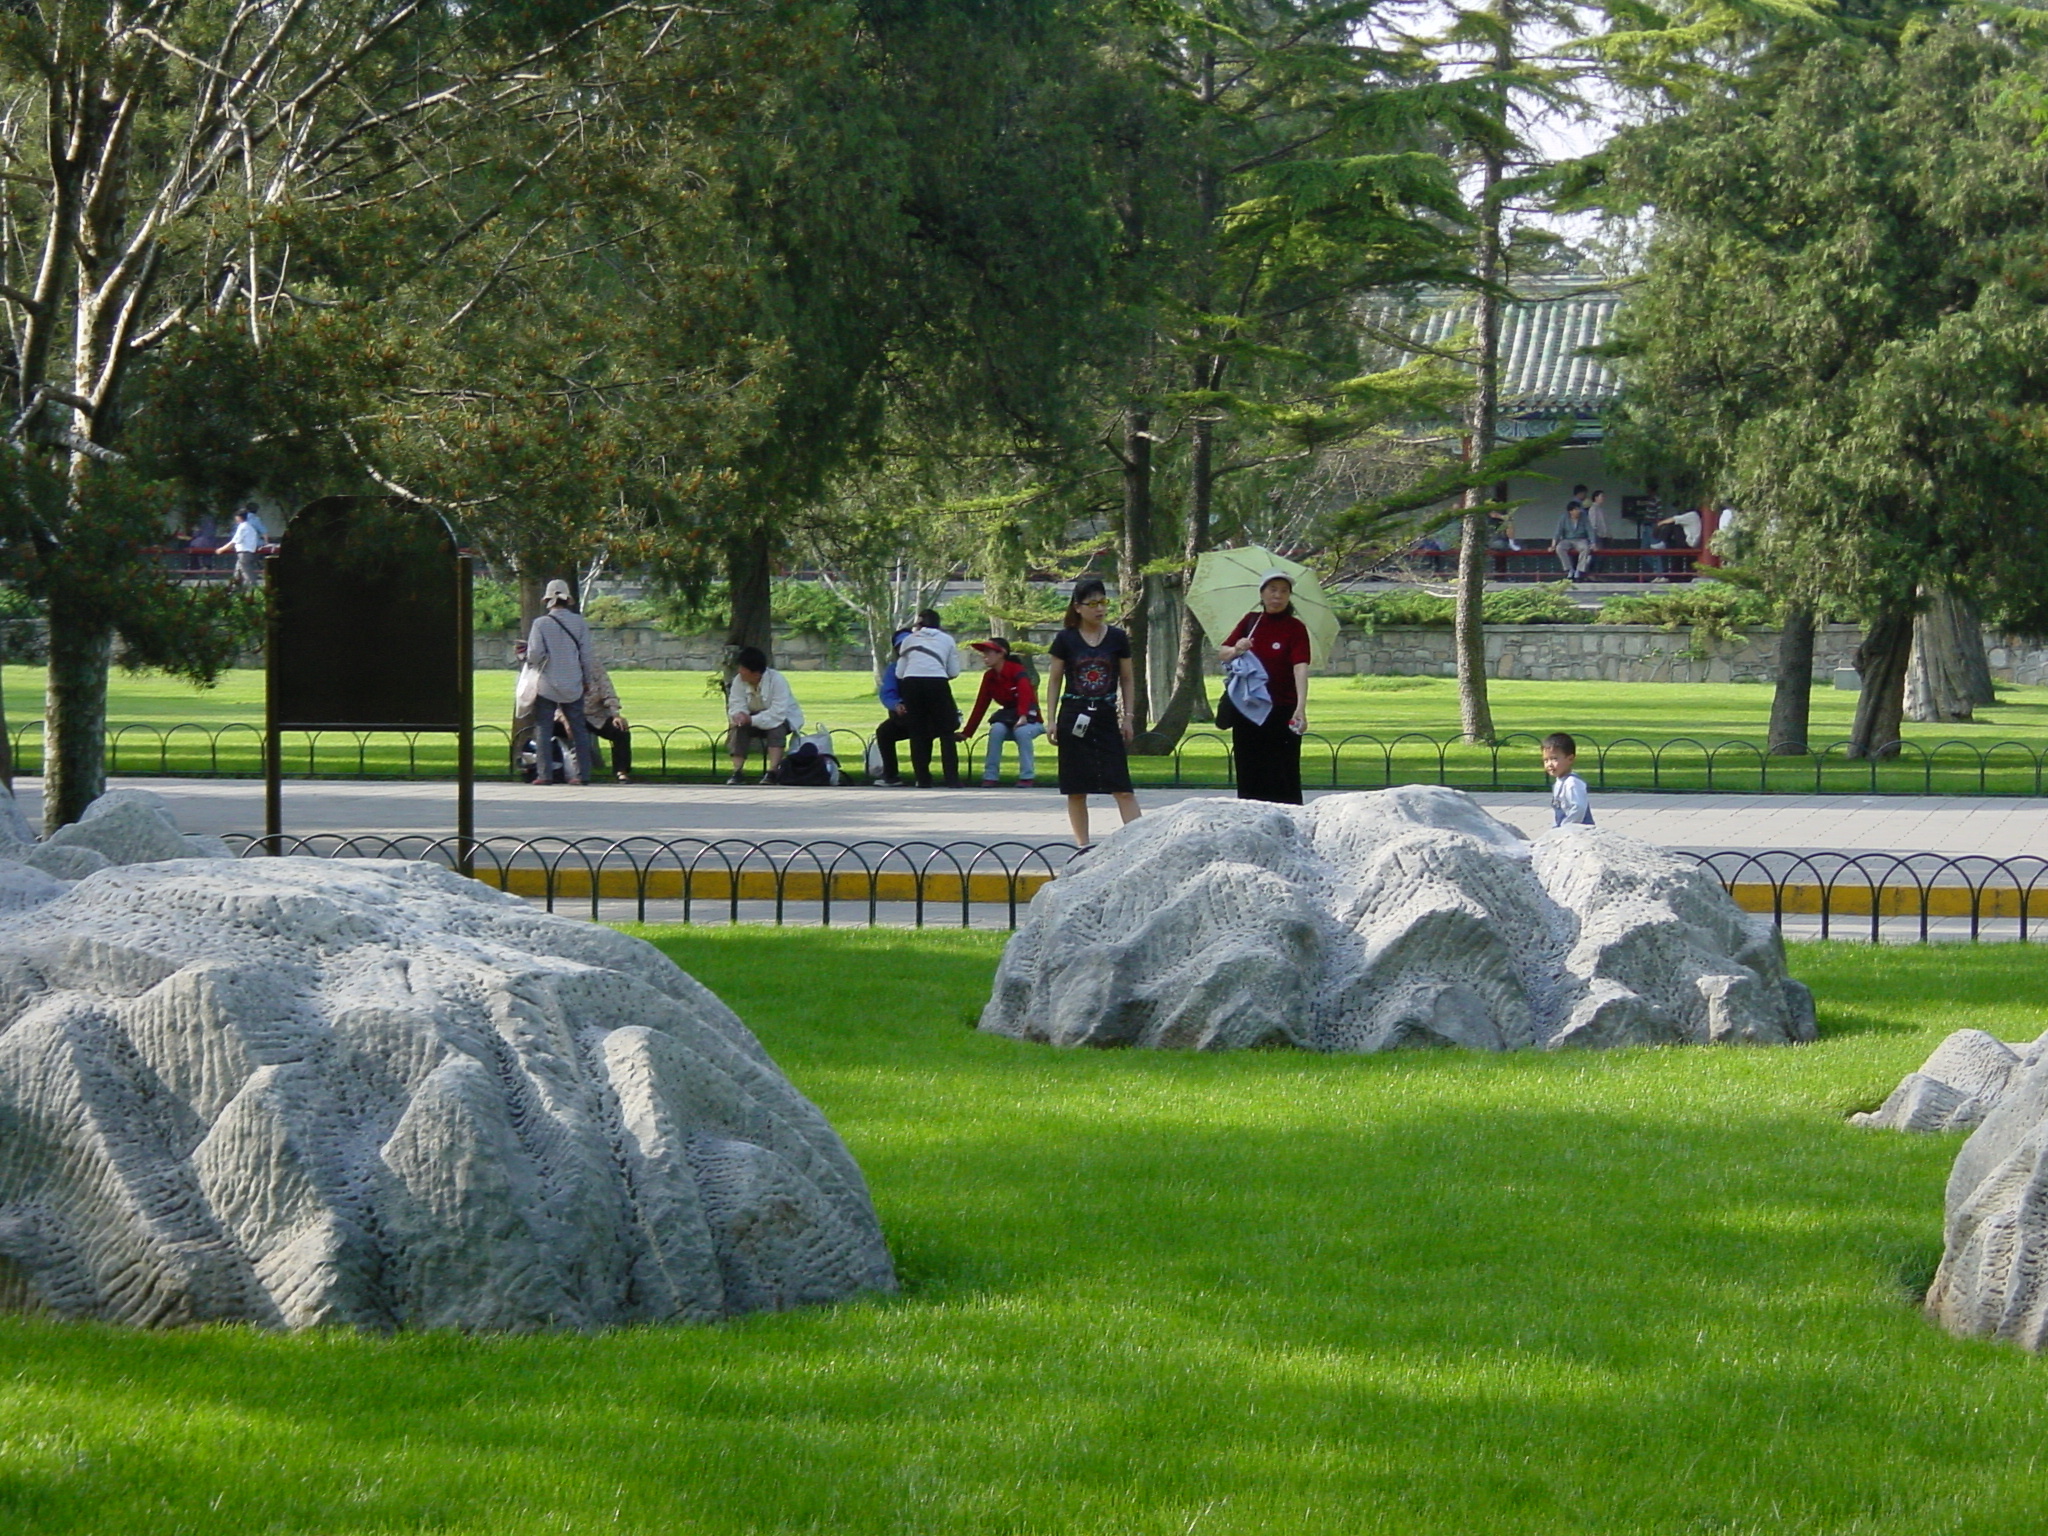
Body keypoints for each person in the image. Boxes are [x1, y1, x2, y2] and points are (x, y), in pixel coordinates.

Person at [1046, 578, 1141, 847]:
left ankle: (1140, 842)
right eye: (1092, 604)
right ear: (1078, 607)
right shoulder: (1065, 639)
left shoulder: (1117, 638)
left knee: (1121, 787)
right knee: (1076, 789)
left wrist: (1128, 717)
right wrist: (1051, 719)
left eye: (1103, 603)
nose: (1099, 609)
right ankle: (1082, 846)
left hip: (1105, 714)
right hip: (1074, 715)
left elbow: (1127, 679)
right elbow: (1054, 680)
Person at [1220, 572, 1314, 805]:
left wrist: (1300, 708)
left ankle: (1288, 816)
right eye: (1272, 590)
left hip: (1282, 706)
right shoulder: (1250, 622)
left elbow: (1300, 667)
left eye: (1283, 591)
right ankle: (1249, 814)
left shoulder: (1295, 628)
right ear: (1262, 594)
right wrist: (1237, 649)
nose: (1278, 596)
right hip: (1249, 705)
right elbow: (1223, 653)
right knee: (1249, 765)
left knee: (1284, 768)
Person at [524, 578, 596, 785]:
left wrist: (526, 658)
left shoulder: (541, 624)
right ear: (567, 599)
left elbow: (535, 654)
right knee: (578, 729)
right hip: (573, 681)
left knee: (543, 729)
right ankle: (582, 774)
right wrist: (587, 679)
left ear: (548, 600)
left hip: (547, 683)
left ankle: (544, 774)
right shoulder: (579, 623)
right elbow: (586, 656)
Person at [957, 637, 1043, 786]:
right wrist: (967, 732)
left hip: (1030, 719)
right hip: (1008, 718)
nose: (984, 656)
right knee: (996, 729)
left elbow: (1025, 693)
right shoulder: (989, 677)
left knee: (1022, 732)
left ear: (1001, 653)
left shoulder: (1017, 670)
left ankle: (1027, 776)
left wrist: (1022, 716)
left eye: (988, 652)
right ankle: (990, 776)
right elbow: (980, 705)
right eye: (983, 652)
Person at [895, 609, 962, 789]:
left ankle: (923, 779)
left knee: (917, 732)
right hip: (937, 683)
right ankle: (952, 779)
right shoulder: (947, 640)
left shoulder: (909, 640)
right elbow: (954, 671)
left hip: (912, 684)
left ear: (919, 624)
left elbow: (899, 672)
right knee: (946, 731)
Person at [726, 646, 803, 784]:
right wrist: (739, 715)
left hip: (781, 718)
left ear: (755, 673)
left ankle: (772, 772)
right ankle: (737, 771)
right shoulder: (739, 680)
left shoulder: (777, 681)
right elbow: (736, 702)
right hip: (752, 717)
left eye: (743, 669)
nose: (740, 671)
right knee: (739, 729)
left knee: (776, 729)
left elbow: (778, 713)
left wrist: (751, 719)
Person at [868, 627, 913, 787]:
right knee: (884, 732)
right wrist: (896, 704)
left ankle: (922, 775)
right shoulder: (894, 669)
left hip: (926, 716)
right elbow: (887, 693)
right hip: (903, 715)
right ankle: (891, 775)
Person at [582, 654, 633, 782]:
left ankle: (621, 770)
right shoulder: (560, 668)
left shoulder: (594, 666)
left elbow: (608, 691)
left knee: (620, 731)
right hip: (569, 715)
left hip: (596, 715)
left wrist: (615, 714)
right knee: (547, 729)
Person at [1543, 731, 1593, 827]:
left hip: (1579, 831)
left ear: (1570, 759)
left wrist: (1567, 826)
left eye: (1554, 759)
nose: (1549, 764)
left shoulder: (1572, 783)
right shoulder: (1559, 782)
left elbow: (1579, 808)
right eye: (1546, 760)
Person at [216, 509, 265, 588]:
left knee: (247, 573)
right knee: (238, 573)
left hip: (244, 553)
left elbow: (235, 541)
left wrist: (221, 549)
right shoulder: (250, 527)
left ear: (238, 517)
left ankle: (253, 589)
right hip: (249, 552)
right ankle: (234, 589)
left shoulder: (243, 527)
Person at [1655, 506, 1703, 582]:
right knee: (1674, 556)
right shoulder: (1696, 517)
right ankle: (1664, 542)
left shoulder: (1692, 515)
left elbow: (1673, 519)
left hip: (1690, 543)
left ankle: (1663, 541)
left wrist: (1660, 523)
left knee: (1673, 525)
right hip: (1691, 542)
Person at [1554, 500, 1596, 582]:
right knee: (1559, 548)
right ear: (1571, 511)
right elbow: (1558, 532)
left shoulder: (1584, 517)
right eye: (1576, 510)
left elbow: (1589, 530)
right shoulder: (1564, 518)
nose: (1578, 511)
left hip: (1581, 539)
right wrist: (1553, 544)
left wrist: (1593, 542)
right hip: (1567, 539)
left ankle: (1579, 570)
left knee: (1585, 548)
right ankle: (1569, 569)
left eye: (1579, 509)